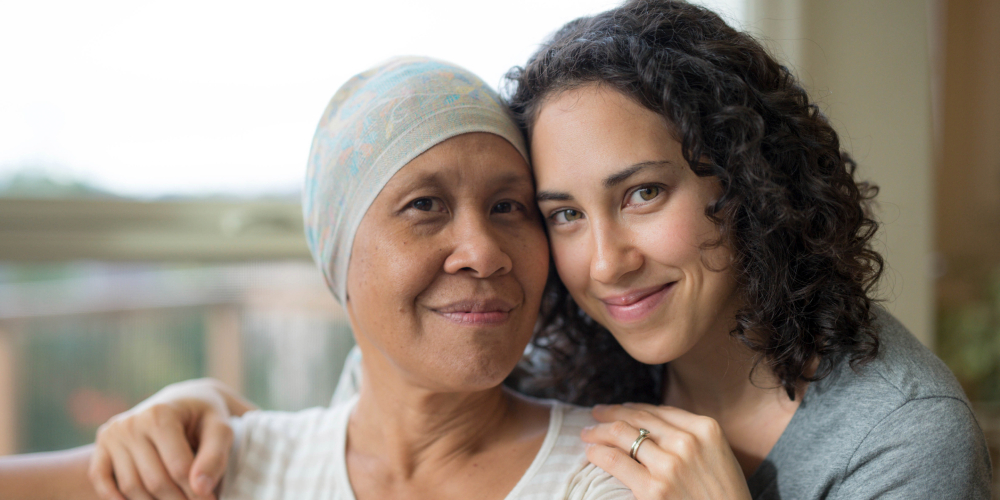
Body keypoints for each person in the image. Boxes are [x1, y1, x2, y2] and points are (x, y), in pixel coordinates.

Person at [45, 1, 1000, 498]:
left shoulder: (901, 443)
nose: (608, 262)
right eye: (563, 214)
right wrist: (198, 402)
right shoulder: (571, 350)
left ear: (747, 182)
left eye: (643, 193)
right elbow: (362, 446)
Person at [0, 57, 634, 500]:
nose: (483, 252)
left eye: (508, 207)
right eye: (424, 206)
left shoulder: (615, 473)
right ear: (337, 255)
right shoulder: (222, 466)